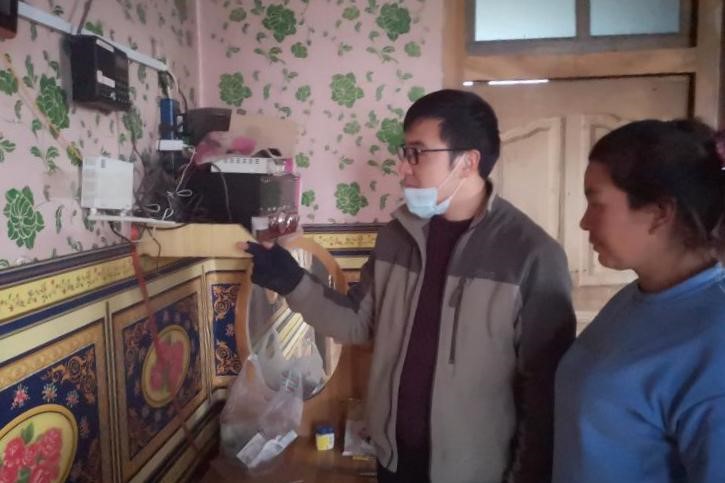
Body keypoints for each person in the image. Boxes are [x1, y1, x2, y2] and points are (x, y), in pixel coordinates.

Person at [242, 89, 576, 482]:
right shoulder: (396, 238)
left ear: (467, 162)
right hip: (393, 461)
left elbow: (544, 394)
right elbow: (356, 323)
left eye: (417, 153)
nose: (402, 168)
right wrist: (290, 279)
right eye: (404, 153)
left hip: (476, 473)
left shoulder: (531, 255)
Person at [553, 119, 725, 483]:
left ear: (659, 212)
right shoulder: (635, 298)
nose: (584, 222)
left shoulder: (714, 338)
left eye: (596, 203)